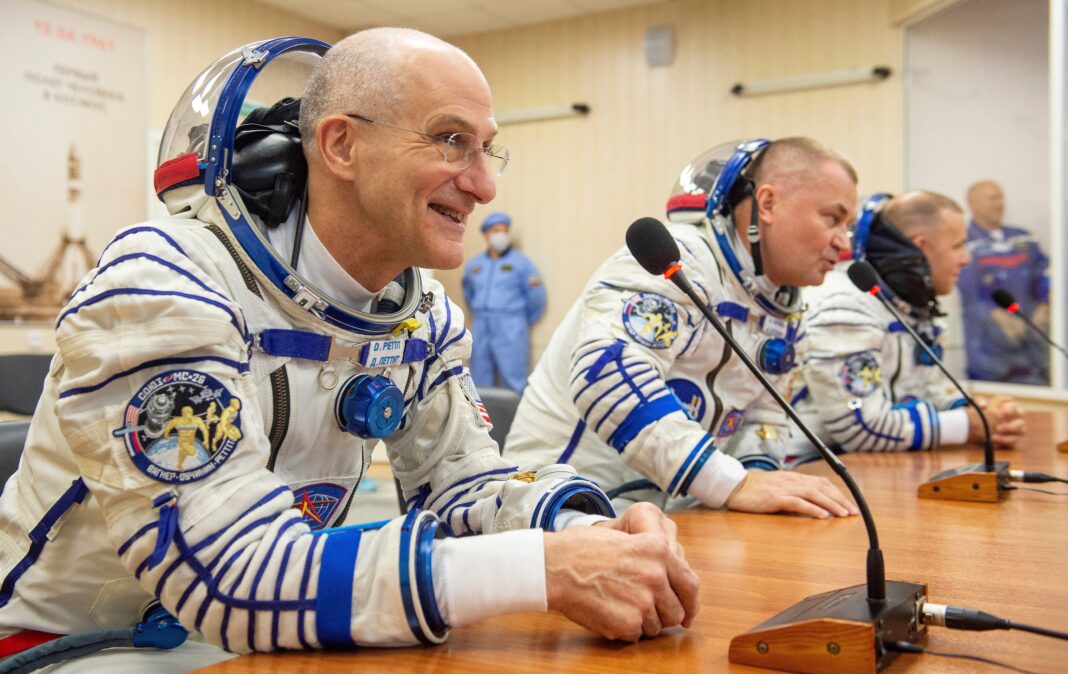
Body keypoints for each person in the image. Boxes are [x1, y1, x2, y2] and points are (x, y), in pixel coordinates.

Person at [0, 30, 698, 670]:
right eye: (450, 140)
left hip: (242, 638)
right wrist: (541, 569)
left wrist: (591, 535)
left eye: (486, 149)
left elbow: (462, 483)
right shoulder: (162, 284)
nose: (484, 186)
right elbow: (232, 573)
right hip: (64, 645)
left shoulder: (419, 314)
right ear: (339, 146)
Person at [504, 138, 860, 519]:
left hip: (672, 511)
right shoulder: (678, 262)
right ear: (768, 204)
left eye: (849, 227)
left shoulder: (784, 308)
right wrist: (732, 484)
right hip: (563, 502)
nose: (844, 244)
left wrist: (758, 479)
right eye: (832, 219)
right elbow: (607, 377)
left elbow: (764, 418)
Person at [788, 192, 1027, 465]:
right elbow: (860, 427)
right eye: (958, 246)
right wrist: (966, 426)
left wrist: (982, 414)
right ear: (921, 246)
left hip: (873, 467)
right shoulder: (843, 305)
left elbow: (927, 389)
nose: (966, 259)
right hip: (809, 470)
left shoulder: (910, 304)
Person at [958, 180, 1050, 384]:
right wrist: (996, 315)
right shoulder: (964, 242)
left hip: (1034, 351)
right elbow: (969, 291)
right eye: (992, 198)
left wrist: (1045, 303)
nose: (999, 204)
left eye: (1000, 197)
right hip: (991, 356)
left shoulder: (1023, 238)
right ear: (972, 204)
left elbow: (1043, 272)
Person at [462, 212, 546, 393]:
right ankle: (479, 411)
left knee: (513, 377)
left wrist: (519, 320)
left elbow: (536, 297)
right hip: (480, 323)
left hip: (510, 325)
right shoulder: (474, 265)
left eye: (504, 231)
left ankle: (514, 412)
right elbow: (468, 293)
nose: (501, 235)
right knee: (479, 376)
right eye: (496, 231)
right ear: (486, 234)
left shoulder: (521, 263)